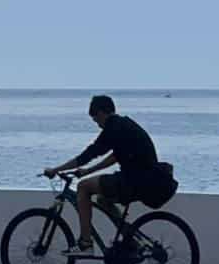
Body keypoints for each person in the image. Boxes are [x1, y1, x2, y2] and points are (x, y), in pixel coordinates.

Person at [43, 94, 170, 254]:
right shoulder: (124, 125)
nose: (98, 125)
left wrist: (55, 170)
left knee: (83, 187)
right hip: (144, 180)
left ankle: (86, 243)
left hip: (134, 181)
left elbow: (89, 154)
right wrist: (88, 171)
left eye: (96, 120)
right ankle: (131, 241)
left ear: (102, 113)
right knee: (104, 200)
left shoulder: (112, 127)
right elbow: (116, 156)